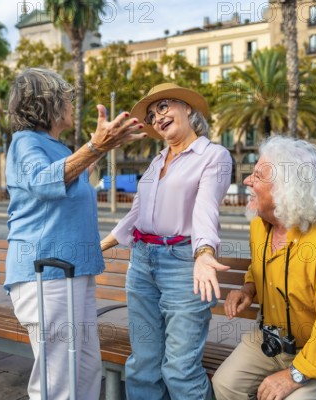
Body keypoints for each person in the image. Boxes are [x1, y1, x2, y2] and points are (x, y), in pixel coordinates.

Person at [4, 68, 145, 400]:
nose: (71, 103)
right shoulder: (25, 143)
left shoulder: (53, 146)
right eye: (66, 97)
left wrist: (102, 147)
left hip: (71, 274)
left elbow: (70, 176)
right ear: (48, 104)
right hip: (48, 274)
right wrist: (95, 146)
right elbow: (43, 181)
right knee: (57, 379)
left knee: (83, 369)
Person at [101, 83, 233, 399]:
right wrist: (99, 247)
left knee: (180, 371)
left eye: (164, 107)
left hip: (183, 265)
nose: (157, 118)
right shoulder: (157, 161)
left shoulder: (214, 156)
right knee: (143, 364)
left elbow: (205, 210)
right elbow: (135, 215)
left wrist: (203, 253)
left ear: (187, 108)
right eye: (151, 114)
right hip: (142, 263)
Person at [212, 136, 316, 400]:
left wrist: (294, 374)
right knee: (225, 385)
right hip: (275, 339)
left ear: (286, 190)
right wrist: (249, 288)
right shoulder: (258, 226)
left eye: (258, 176)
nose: (247, 181)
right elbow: (261, 268)